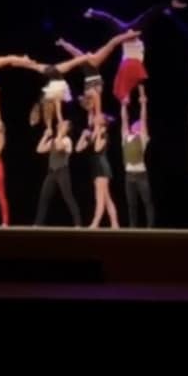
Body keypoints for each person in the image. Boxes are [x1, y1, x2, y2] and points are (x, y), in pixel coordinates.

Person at [83, 0, 187, 105]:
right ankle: (169, 5)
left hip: (126, 35)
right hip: (135, 34)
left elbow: (130, 80)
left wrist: (126, 96)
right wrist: (141, 95)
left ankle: (92, 12)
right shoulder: (134, 73)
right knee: (147, 15)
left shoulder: (123, 76)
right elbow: (140, 80)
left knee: (113, 20)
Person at [54, 30, 141, 127]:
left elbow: (93, 106)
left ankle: (131, 35)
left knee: (111, 43)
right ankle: (63, 43)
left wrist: (97, 113)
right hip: (89, 68)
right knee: (77, 51)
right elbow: (90, 113)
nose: (92, 107)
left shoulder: (91, 93)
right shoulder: (91, 93)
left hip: (91, 66)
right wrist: (95, 114)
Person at [34, 119, 81, 227]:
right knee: (44, 198)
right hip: (51, 172)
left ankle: (78, 224)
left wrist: (59, 134)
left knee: (68, 197)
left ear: (67, 129)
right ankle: (38, 223)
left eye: (64, 124)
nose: (61, 124)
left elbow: (59, 147)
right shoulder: (53, 140)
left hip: (62, 171)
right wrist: (45, 136)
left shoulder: (67, 140)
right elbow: (39, 149)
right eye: (61, 123)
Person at [76, 117, 120, 229]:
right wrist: (83, 136)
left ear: (103, 125)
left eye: (98, 122)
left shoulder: (104, 135)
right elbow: (78, 149)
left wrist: (99, 133)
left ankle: (95, 223)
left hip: (102, 168)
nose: (95, 121)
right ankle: (115, 223)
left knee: (100, 198)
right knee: (107, 198)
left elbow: (97, 148)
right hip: (96, 169)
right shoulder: (92, 136)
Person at [121, 87, 154, 228]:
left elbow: (143, 118)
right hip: (129, 175)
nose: (138, 124)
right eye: (137, 124)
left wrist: (143, 104)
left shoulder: (142, 138)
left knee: (147, 201)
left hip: (141, 175)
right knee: (131, 204)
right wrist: (123, 105)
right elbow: (124, 119)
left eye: (139, 125)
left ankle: (150, 227)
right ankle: (132, 228)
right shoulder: (125, 137)